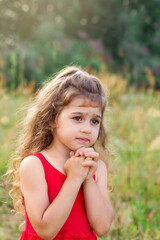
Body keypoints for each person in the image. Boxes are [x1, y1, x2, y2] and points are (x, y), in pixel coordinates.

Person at [9, 66, 114, 240]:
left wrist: (87, 180)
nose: (87, 129)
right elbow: (46, 231)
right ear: (52, 119)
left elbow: (102, 227)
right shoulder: (35, 165)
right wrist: (74, 179)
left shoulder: (97, 168)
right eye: (77, 118)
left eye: (95, 121)